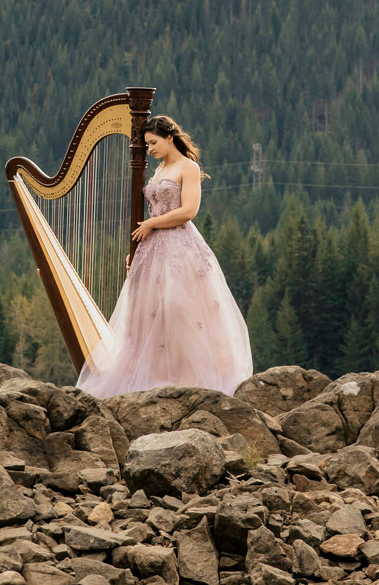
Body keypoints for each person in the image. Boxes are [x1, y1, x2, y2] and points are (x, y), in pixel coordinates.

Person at [75, 114, 254, 397]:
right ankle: (156, 374)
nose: (150, 149)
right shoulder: (157, 171)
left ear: (170, 137)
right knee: (146, 313)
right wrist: (137, 249)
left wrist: (150, 224)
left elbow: (188, 211)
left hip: (180, 246)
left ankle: (188, 377)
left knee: (178, 308)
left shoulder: (188, 167)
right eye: (146, 145)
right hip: (153, 248)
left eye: (154, 142)